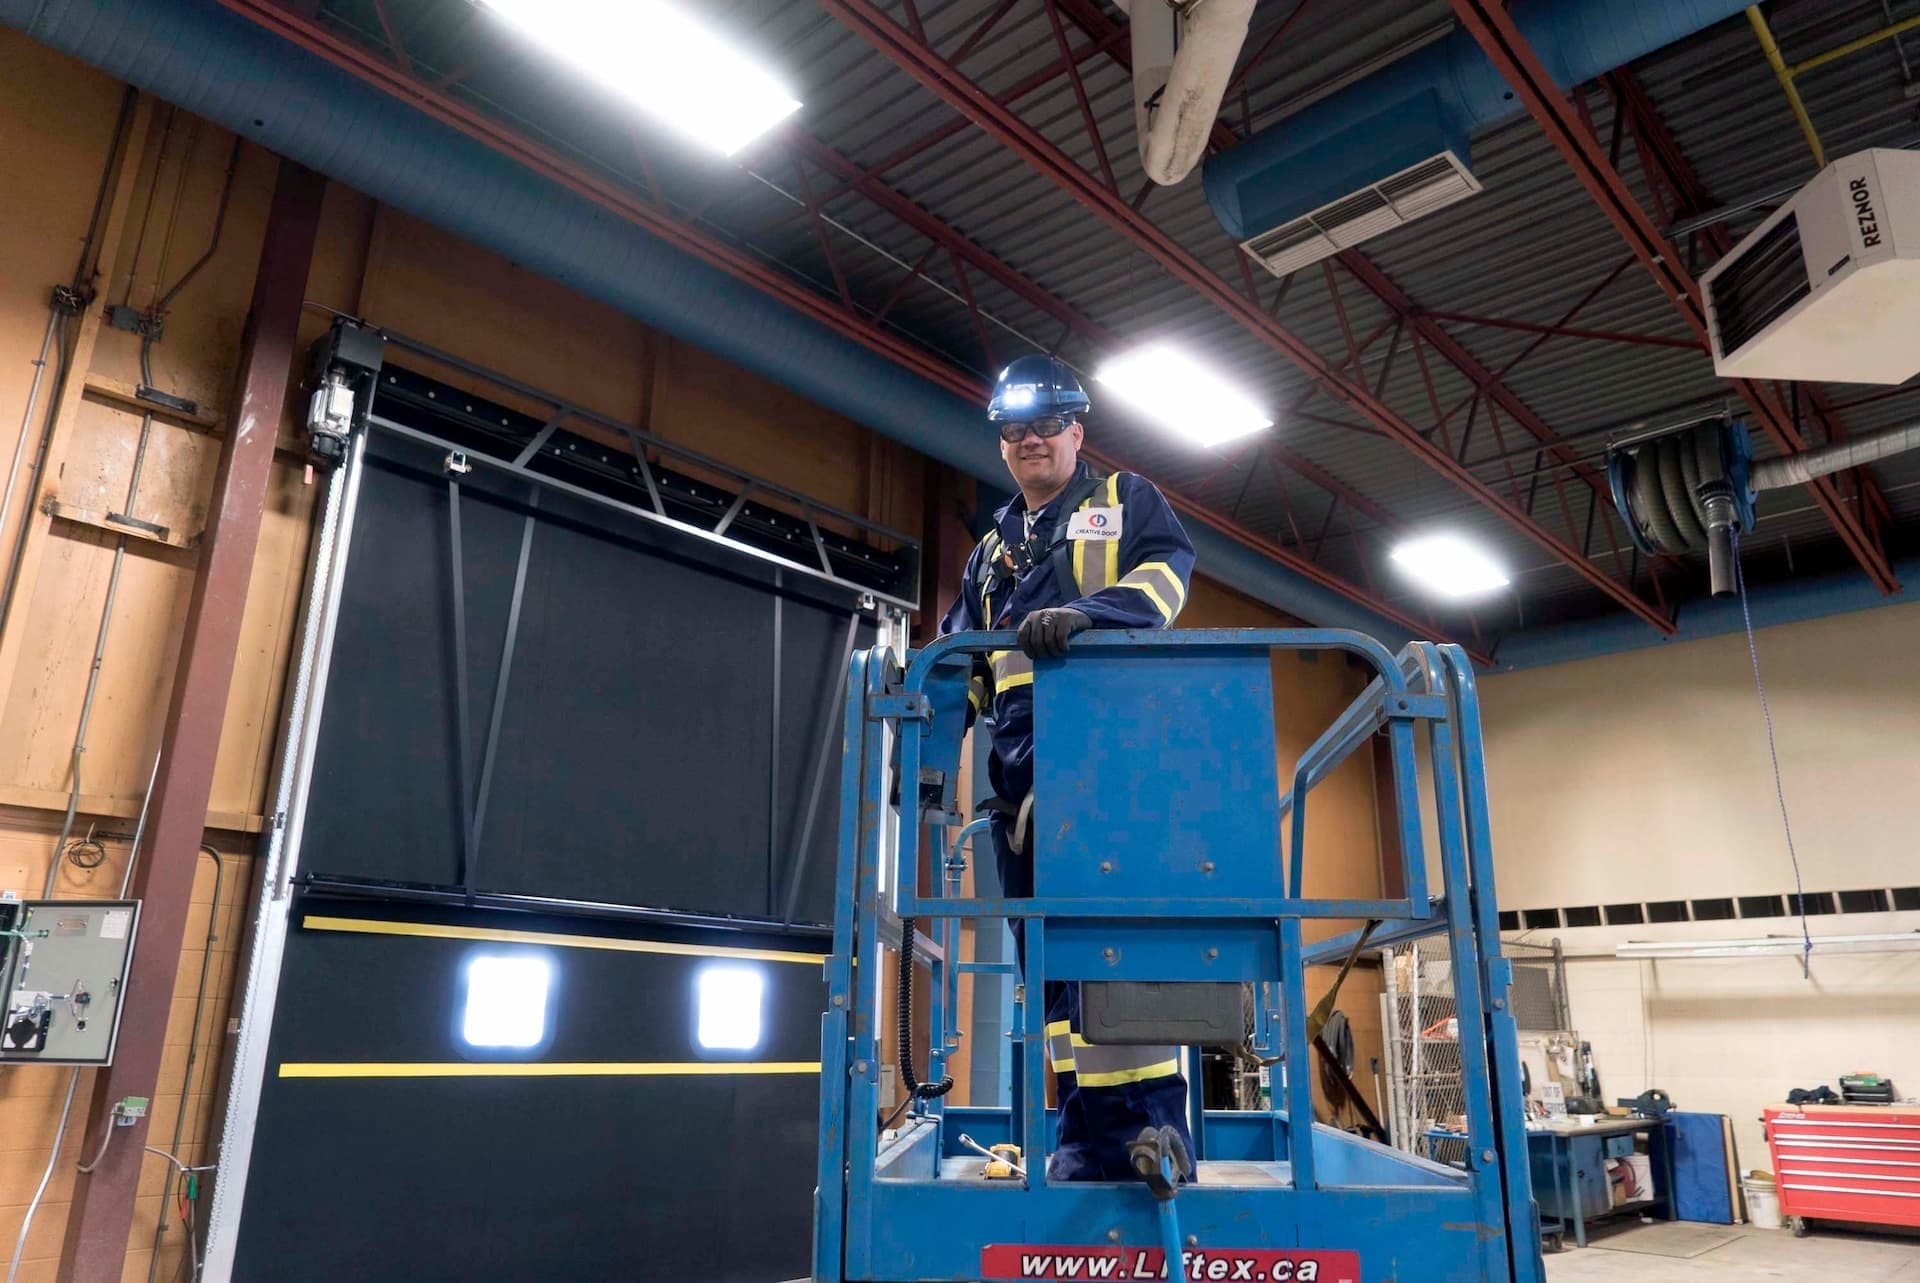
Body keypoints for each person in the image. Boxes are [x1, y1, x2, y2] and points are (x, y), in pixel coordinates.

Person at [938, 354, 1197, 1182]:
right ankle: (1086, 1140)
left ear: (1077, 432)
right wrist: (927, 762)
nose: (1029, 442)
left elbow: (1166, 580)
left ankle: (1156, 1138)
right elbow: (957, 666)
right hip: (1020, 788)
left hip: (1110, 767)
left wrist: (1081, 614)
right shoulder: (989, 552)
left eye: (1046, 426)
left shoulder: (1125, 502)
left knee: (1119, 964)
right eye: (1013, 432)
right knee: (1050, 973)